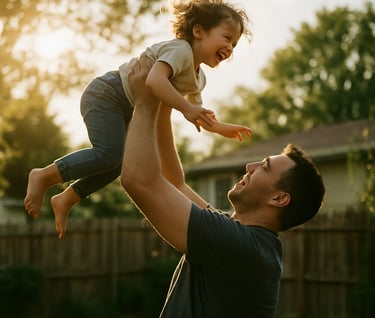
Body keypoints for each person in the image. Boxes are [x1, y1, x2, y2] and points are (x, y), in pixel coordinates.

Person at [24, 0, 251, 238]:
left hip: (125, 108)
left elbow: (197, 112)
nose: (230, 48)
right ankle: (44, 175)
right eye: (227, 38)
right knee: (108, 154)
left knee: (120, 161)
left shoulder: (198, 78)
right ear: (198, 31)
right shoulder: (180, 50)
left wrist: (221, 128)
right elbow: (154, 81)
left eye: (234, 44)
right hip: (107, 94)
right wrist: (185, 107)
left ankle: (68, 197)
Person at [121, 56, 326, 317]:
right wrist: (166, 99)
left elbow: (139, 180)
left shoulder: (240, 247)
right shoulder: (245, 241)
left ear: (278, 198)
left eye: (264, 167)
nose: (249, 167)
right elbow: (175, 183)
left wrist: (145, 101)